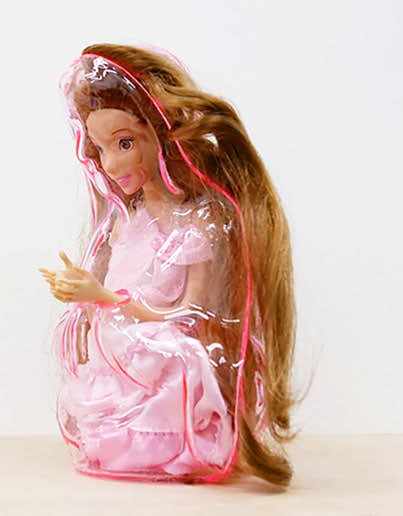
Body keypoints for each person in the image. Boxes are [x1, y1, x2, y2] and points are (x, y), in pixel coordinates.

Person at [38, 44, 298, 487]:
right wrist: (88, 300)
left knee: (173, 361)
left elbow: (190, 316)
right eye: (100, 148)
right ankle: (123, 436)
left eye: (124, 143)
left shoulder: (195, 225)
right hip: (121, 347)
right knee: (106, 352)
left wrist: (103, 297)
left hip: (162, 352)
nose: (110, 163)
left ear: (160, 135)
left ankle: (164, 442)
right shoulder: (126, 222)